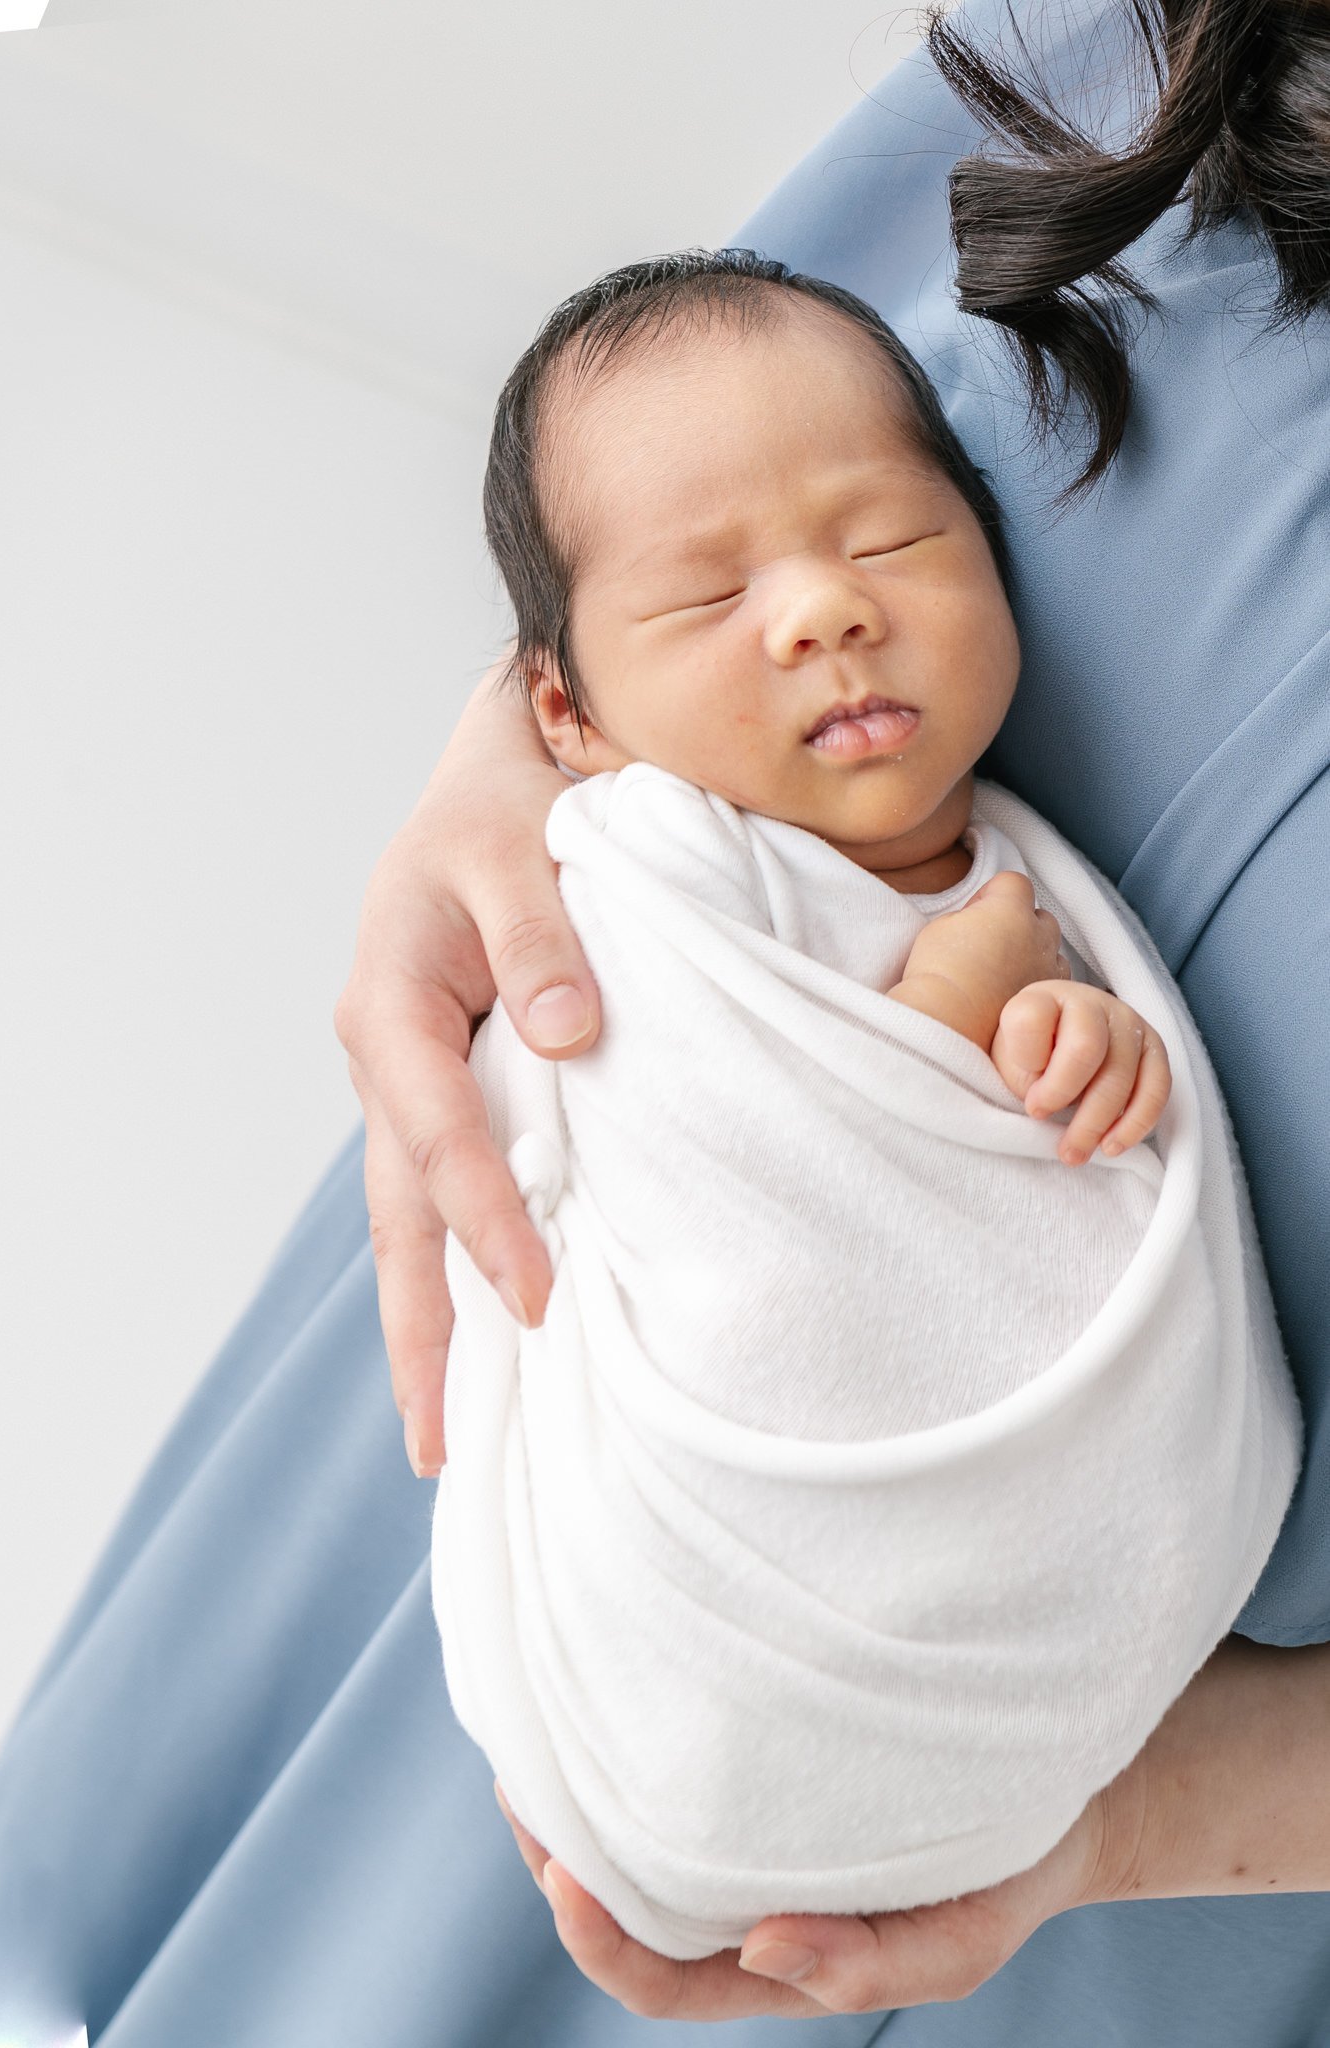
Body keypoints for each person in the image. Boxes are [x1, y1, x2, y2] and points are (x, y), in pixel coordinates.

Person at [0, 0, 1328, 2040]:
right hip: (554, 1355)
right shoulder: (1189, 38)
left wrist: (1109, 1825)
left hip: (1056, 1840)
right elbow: (667, 459)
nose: (828, 606)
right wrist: (506, 801)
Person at [429, 242, 1297, 1964]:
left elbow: (1031, 1186)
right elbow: (727, 1161)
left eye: (890, 538)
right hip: (694, 1630)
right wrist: (955, 1022)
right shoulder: (648, 871)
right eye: (702, 599)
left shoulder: (1021, 876)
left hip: (1055, 1707)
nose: (821, 610)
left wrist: (1066, 1051)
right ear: (563, 718)